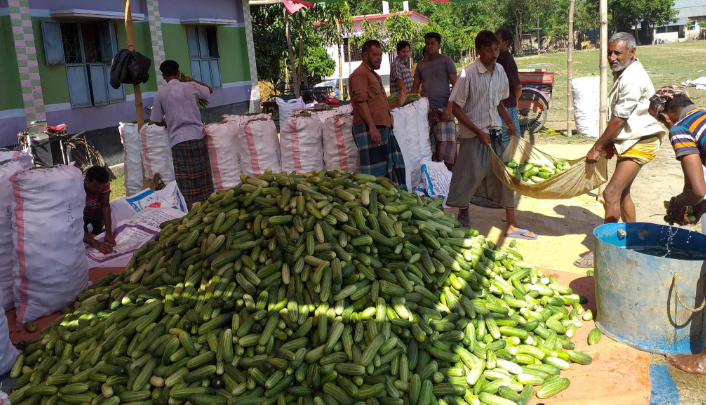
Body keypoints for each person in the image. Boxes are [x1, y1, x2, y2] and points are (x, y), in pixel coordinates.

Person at [574, 32, 666, 268]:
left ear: (632, 53)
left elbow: (618, 120)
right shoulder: (624, 74)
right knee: (622, 193)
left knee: (611, 193)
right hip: (632, 139)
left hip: (641, 142)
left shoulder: (632, 79)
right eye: (610, 52)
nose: (612, 57)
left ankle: (607, 251)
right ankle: (633, 243)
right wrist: (611, 144)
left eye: (618, 53)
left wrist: (598, 146)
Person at [445, 30, 536, 240]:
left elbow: (500, 102)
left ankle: (511, 225)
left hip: (495, 133)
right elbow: (456, 107)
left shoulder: (501, 71)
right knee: (471, 176)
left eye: (496, 49)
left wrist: (510, 122)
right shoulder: (468, 74)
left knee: (505, 178)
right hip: (473, 136)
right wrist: (478, 131)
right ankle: (463, 216)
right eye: (489, 50)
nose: (494, 54)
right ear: (478, 51)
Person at [648, 86, 706, 375]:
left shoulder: (680, 128)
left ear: (666, 117)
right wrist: (701, 205)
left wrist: (677, 205)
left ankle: (704, 357)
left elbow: (696, 189)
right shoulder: (702, 116)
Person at [150, 60, 215, 209]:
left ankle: (190, 209)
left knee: (186, 179)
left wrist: (168, 124)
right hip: (197, 136)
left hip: (178, 140)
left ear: (164, 76)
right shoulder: (190, 86)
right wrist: (193, 80)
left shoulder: (161, 93)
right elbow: (209, 91)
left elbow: (156, 120)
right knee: (202, 174)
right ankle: (208, 205)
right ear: (178, 73)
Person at [349, 40, 408, 189]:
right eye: (375, 55)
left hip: (382, 127)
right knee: (374, 176)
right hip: (368, 129)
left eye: (380, 55)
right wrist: (372, 127)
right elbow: (361, 103)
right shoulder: (360, 74)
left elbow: (379, 104)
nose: (379, 58)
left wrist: (396, 105)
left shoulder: (374, 75)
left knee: (388, 172)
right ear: (365, 55)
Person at [411, 33, 458, 170]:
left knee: (448, 147)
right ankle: (433, 177)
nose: (430, 46)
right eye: (427, 43)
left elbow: (456, 85)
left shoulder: (446, 61)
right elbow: (415, 87)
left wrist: (449, 107)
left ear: (439, 45)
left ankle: (449, 178)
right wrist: (411, 106)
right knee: (428, 147)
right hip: (426, 111)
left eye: (433, 43)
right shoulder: (420, 65)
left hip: (444, 109)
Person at [495, 29, 523, 147]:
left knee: (510, 141)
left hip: (507, 105)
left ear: (505, 43)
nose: (494, 44)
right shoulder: (497, 58)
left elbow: (517, 86)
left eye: (497, 41)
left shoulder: (507, 60)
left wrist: (513, 101)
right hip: (499, 105)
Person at [83, 166, 115, 254]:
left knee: (98, 231)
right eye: (96, 187)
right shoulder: (77, 189)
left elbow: (105, 206)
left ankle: (97, 229)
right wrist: (97, 244)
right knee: (78, 235)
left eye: (102, 187)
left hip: (95, 211)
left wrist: (109, 234)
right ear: (86, 181)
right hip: (80, 215)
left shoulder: (102, 184)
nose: (99, 190)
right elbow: (74, 223)